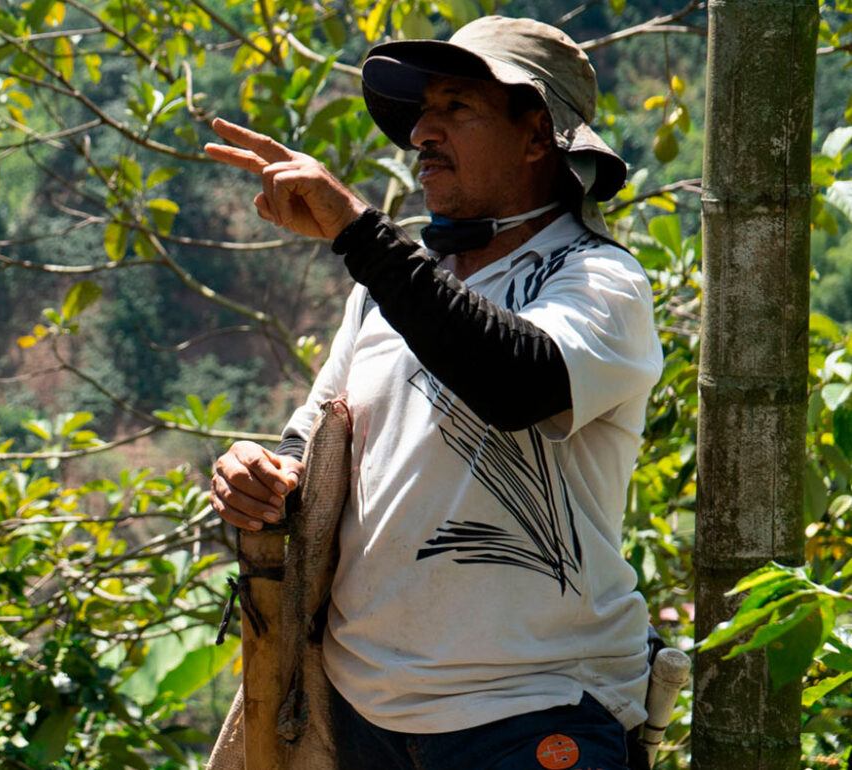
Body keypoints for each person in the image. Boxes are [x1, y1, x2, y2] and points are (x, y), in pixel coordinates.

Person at [204, 16, 662, 770]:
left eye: (456, 107)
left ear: (537, 135)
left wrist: (358, 231)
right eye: (422, 113)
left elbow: (515, 380)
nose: (421, 131)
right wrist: (260, 476)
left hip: (531, 711)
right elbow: (313, 443)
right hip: (362, 715)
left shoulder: (600, 281)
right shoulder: (387, 293)